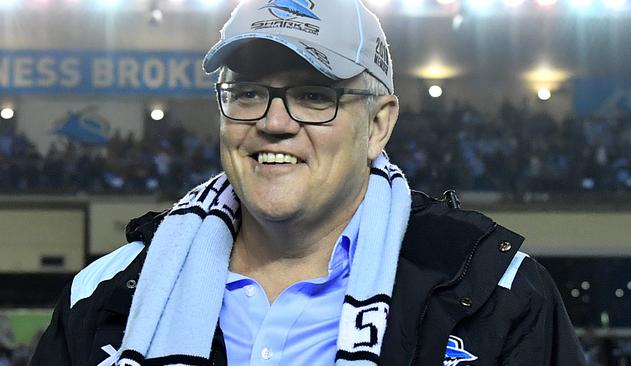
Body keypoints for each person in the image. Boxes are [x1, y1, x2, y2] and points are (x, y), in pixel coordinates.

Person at [31, 0, 586, 365]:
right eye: (248, 92)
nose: (274, 122)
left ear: (378, 124)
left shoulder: (497, 293)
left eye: (314, 96)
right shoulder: (104, 294)